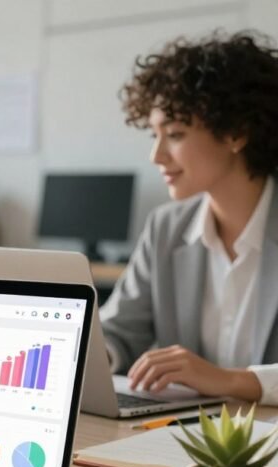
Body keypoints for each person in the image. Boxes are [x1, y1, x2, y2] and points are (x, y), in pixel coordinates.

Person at [102, 30, 278, 405]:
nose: (156, 155)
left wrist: (227, 380)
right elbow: (118, 331)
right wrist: (91, 355)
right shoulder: (166, 227)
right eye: (154, 135)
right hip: (185, 442)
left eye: (175, 134)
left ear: (236, 132)